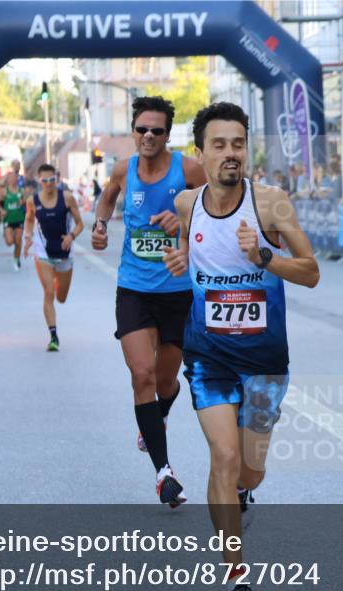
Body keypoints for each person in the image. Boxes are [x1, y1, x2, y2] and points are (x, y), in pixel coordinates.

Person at [163, 101, 319, 591]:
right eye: (220, 145)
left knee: (250, 471)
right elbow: (185, 250)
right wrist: (177, 258)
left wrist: (265, 258)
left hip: (266, 361)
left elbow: (312, 272)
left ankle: (241, 497)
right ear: (201, 153)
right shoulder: (187, 203)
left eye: (238, 144)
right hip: (209, 356)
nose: (231, 154)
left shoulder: (271, 203)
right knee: (224, 460)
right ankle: (237, 577)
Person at [90, 96, 207, 507]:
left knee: (164, 382)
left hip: (178, 292)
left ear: (167, 135)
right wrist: (101, 225)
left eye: (157, 130)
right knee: (141, 375)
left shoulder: (189, 170)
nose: (149, 136)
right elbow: (107, 197)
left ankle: (156, 417)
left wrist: (186, 219)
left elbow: (219, 209)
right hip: (135, 289)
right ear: (133, 131)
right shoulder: (124, 169)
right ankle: (164, 474)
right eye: (142, 129)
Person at [23, 163, 84, 351]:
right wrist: (27, 237)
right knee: (48, 291)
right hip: (44, 253)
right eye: (45, 180)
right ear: (39, 181)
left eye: (52, 180)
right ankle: (53, 336)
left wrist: (71, 236)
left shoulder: (67, 198)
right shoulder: (32, 201)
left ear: (56, 180)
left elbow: (80, 224)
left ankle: (58, 278)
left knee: (61, 297)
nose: (49, 184)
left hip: (65, 252)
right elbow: (30, 219)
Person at [0, 171, 26, 270]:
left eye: (15, 177)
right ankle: (6, 234)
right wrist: (1, 210)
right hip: (8, 220)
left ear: (17, 179)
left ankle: (16, 259)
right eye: (11, 177)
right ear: (8, 180)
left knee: (18, 241)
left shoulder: (21, 191)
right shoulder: (5, 191)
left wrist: (23, 202)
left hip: (19, 219)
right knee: (10, 242)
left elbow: (27, 203)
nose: (13, 179)